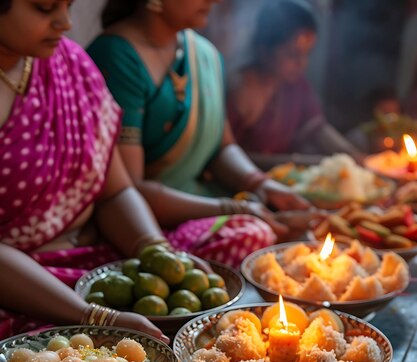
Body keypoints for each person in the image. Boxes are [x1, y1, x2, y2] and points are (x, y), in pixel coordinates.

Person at [86, 0, 311, 267]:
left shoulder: (204, 54)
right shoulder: (115, 55)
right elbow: (128, 189)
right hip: (144, 225)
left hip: (204, 199)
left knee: (299, 231)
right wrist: (234, 209)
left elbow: (222, 147)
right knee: (255, 235)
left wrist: (261, 185)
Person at [0, 0, 175, 341]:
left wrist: (159, 255)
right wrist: (96, 317)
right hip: (18, 284)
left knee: (244, 235)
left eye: (68, 5)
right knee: (59, 360)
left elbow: (116, 191)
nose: (65, 22)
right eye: (45, 8)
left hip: (96, 260)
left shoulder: (71, 63)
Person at [226, 0, 362, 170]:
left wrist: (355, 157)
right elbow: (227, 155)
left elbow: (317, 129)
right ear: (263, 51)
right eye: (292, 54)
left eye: (307, 54)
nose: (302, 63)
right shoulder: (240, 89)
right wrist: (301, 162)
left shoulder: (296, 85)